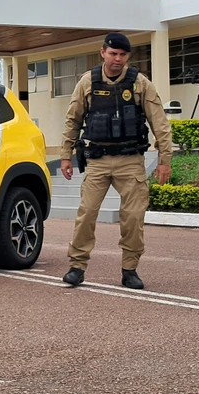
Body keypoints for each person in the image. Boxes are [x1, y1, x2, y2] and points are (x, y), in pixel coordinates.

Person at [59, 32, 173, 290]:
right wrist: (66, 155)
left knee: (133, 216)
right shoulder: (87, 81)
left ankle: (130, 270)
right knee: (86, 214)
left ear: (128, 56)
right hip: (97, 160)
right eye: (113, 54)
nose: (117, 59)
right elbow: (73, 120)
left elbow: (160, 123)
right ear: (103, 53)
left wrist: (164, 159)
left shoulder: (140, 83)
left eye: (122, 55)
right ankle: (77, 267)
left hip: (130, 160)